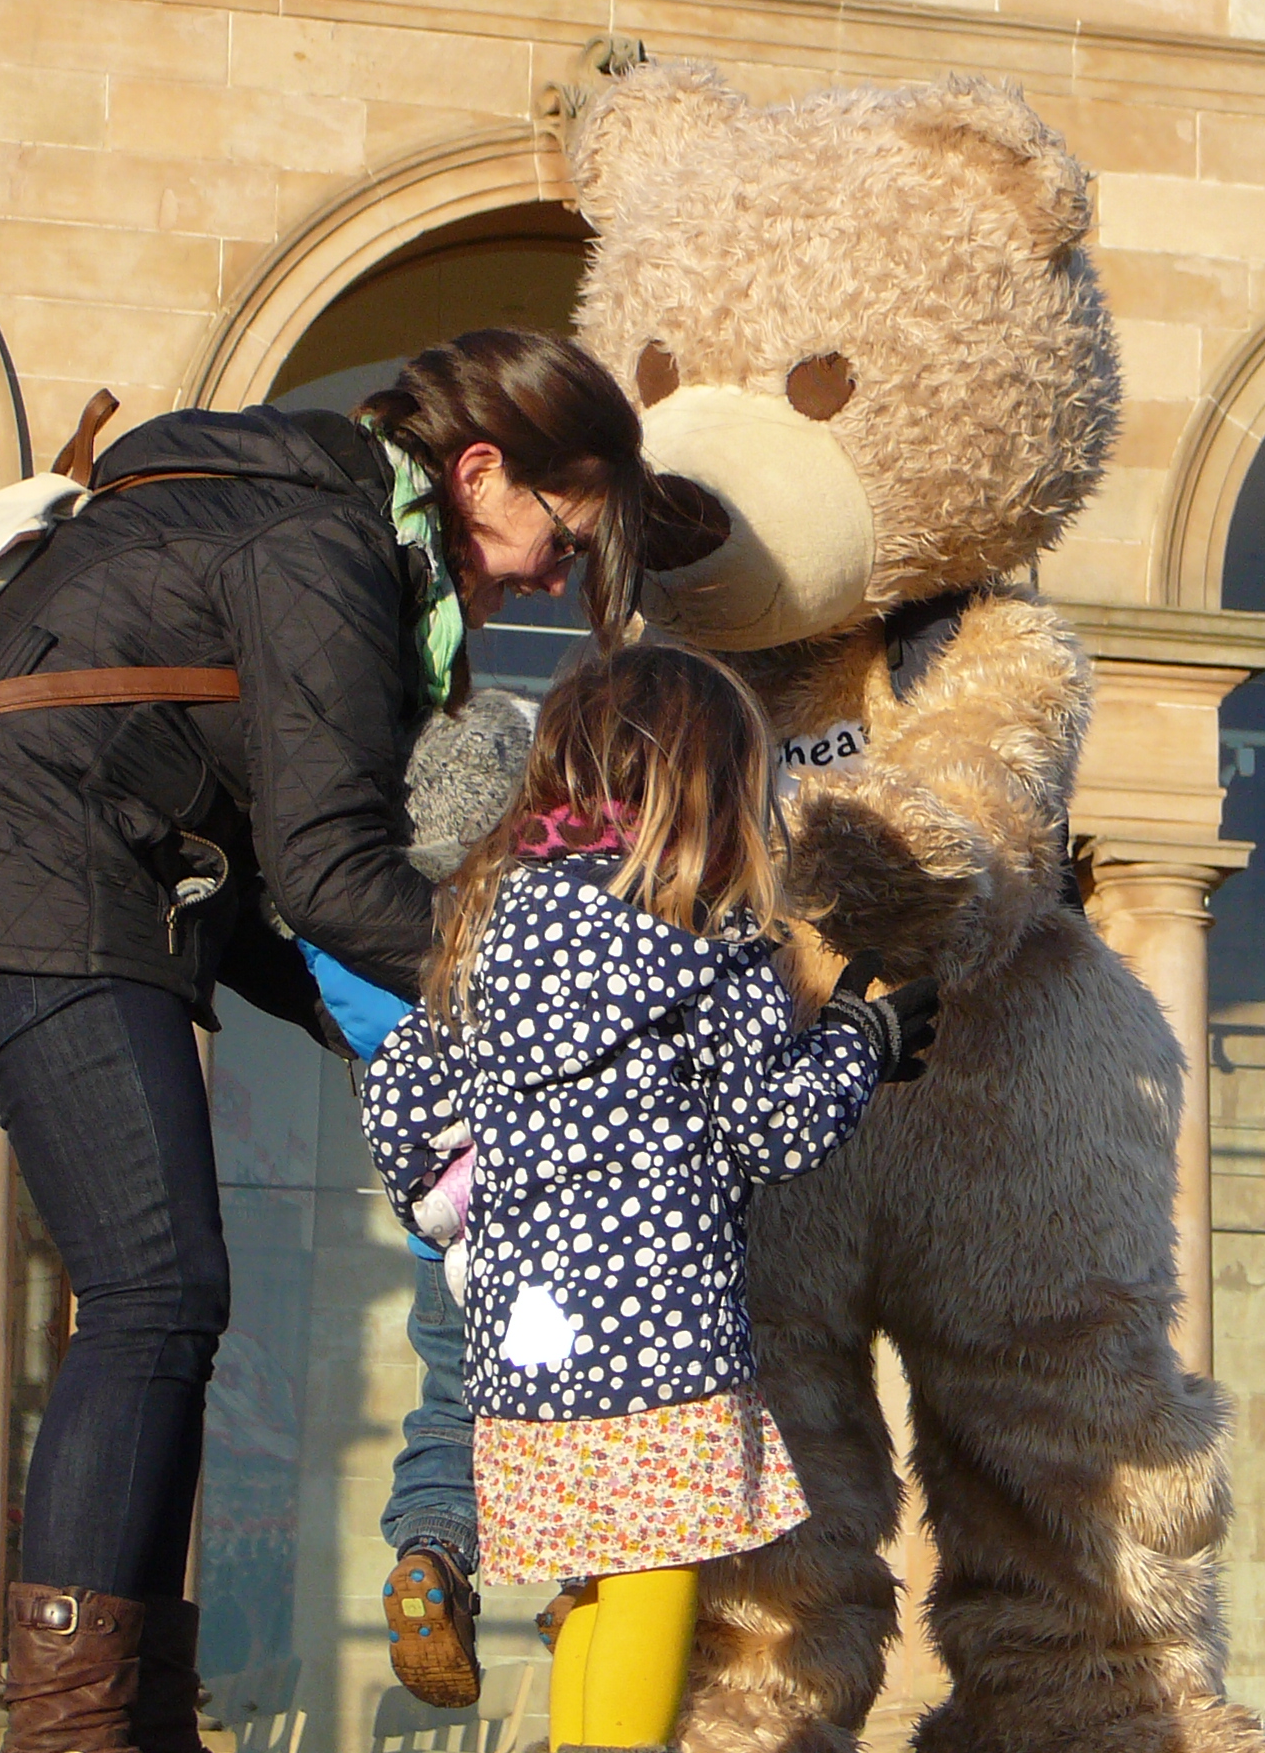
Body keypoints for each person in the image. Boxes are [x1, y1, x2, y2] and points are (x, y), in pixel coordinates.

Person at [0, 330, 655, 1753]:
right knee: (157, 1293)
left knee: (160, 1300)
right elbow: (335, 876)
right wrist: (546, 1001)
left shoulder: (313, 525)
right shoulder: (322, 548)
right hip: (39, 886)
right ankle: (85, 1730)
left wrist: (407, 1040)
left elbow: (293, 898)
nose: (550, 578)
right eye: (561, 536)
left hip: (61, 887)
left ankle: (138, 1712)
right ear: (479, 472)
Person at [358, 646, 938, 1753]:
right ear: (712, 787)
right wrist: (864, 1041)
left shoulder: (487, 930)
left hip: (521, 1345)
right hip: (660, 1337)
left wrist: (463, 1213)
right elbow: (776, 1126)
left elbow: (400, 1098)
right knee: (655, 1578)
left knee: (598, 1579)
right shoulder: (703, 943)